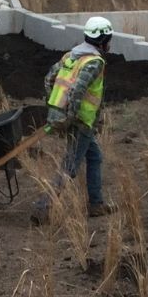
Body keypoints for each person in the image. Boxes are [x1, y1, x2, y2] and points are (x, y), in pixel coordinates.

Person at [33, 17, 114, 224]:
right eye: (109, 39)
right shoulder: (94, 62)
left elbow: (49, 79)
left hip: (68, 118)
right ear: (103, 40)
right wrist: (70, 115)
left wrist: (55, 109)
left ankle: (96, 204)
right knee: (69, 167)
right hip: (80, 121)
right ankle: (42, 208)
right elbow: (79, 89)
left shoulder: (71, 56)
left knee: (94, 156)